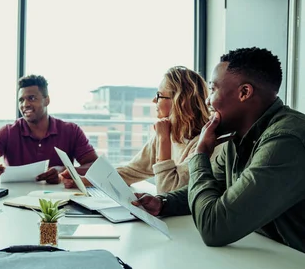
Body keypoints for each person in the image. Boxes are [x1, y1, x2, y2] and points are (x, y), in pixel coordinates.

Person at [133, 47, 305, 268]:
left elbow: (214, 228)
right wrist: (164, 203)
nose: (207, 101)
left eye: (213, 90)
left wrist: (200, 154)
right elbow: (214, 185)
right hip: (283, 260)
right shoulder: (239, 138)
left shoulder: (287, 141)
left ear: (244, 92)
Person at [64, 66, 216, 194]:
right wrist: (84, 181)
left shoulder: (203, 144)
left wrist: (163, 140)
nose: (154, 100)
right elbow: (132, 171)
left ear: (179, 101)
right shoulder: (167, 133)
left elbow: (167, 191)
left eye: (159, 95)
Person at [0, 74, 98, 184]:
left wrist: (64, 171)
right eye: (21, 100)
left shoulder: (71, 131)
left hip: (59, 202)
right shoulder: (7, 132)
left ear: (47, 100)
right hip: (15, 200)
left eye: (32, 98)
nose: (25, 104)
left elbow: (95, 166)